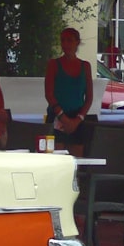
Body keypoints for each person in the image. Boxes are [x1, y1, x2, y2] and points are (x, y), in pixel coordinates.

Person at [45, 28, 93, 157]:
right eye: (63, 40)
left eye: (69, 40)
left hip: (77, 118)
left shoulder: (85, 66)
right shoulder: (54, 64)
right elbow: (49, 94)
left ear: (77, 42)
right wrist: (63, 118)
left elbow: (89, 98)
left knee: (77, 162)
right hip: (57, 117)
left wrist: (77, 120)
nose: (66, 44)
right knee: (56, 159)